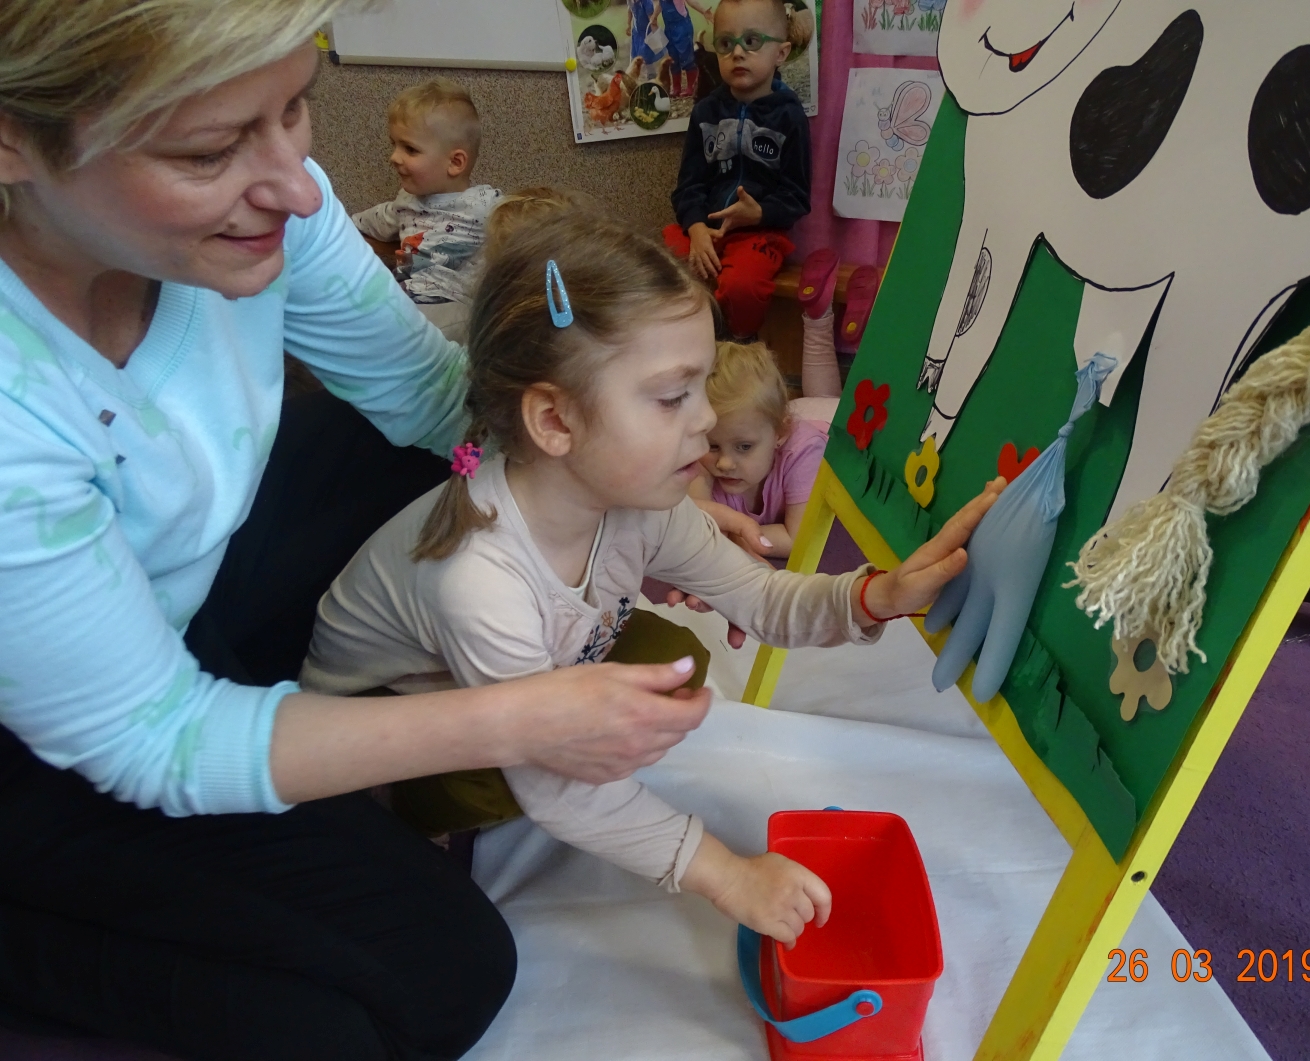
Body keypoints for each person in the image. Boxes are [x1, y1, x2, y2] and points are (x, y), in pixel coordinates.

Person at [0, 4, 709, 1058]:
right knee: (423, 982)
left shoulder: (271, 205)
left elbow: (437, 400)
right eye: (209, 151)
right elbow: (158, 738)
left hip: (171, 596)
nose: (296, 186)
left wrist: (644, 475)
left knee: (466, 457)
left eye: (295, 109)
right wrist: (517, 718)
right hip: (42, 734)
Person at [299, 212, 1006, 947]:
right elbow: (562, 791)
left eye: (701, 387)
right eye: (673, 397)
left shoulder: (640, 502)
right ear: (555, 421)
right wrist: (729, 874)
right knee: (569, 754)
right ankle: (417, 820)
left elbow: (762, 596)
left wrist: (877, 595)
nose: (704, 420)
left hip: (492, 679)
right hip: (374, 745)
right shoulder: (481, 585)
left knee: (671, 668)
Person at [664, 0, 812, 338]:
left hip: (759, 233)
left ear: (781, 52)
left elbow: (797, 197)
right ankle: (691, 344)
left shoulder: (790, 117)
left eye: (752, 41)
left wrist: (758, 213)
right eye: (726, 43)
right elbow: (688, 187)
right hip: (705, 229)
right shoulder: (705, 113)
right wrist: (696, 228)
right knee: (661, 268)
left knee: (742, 287)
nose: (738, 53)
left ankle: (737, 346)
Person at [351, 77, 501, 341]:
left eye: (410, 149)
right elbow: (369, 221)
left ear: (455, 163)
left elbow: (529, 227)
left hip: (453, 304)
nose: (394, 157)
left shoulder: (485, 204)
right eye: (394, 145)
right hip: (406, 298)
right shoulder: (405, 202)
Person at [689, 339, 831, 558]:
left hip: (830, 427)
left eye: (744, 446)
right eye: (712, 445)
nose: (724, 463)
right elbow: (695, 534)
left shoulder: (805, 451)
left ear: (780, 434)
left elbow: (800, 541)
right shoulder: (697, 454)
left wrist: (733, 535)